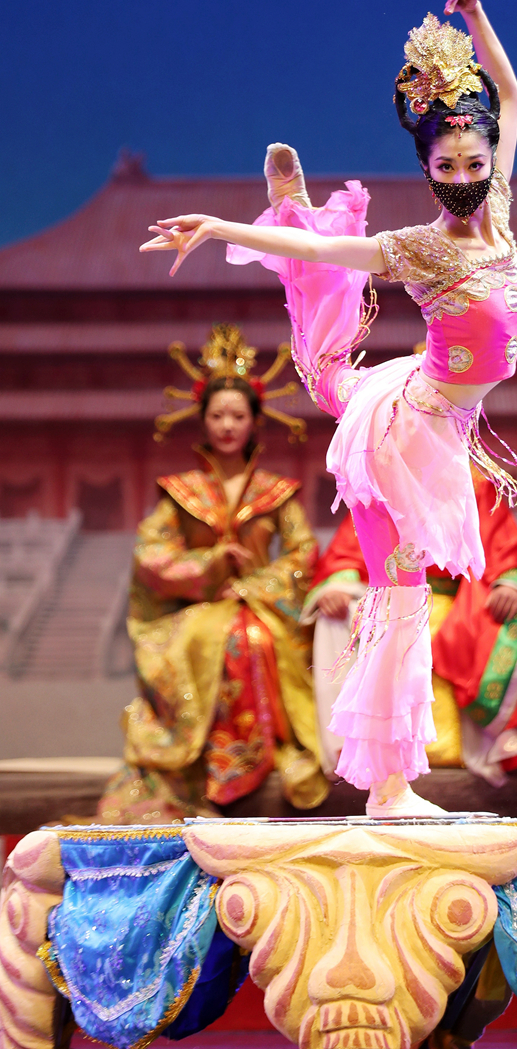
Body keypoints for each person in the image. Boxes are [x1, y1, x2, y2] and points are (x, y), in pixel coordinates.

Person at [140, 0, 517, 816]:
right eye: (448, 163)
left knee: (398, 571)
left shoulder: (500, 212)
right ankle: (390, 788)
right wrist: (218, 226)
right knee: (399, 592)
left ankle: (394, 786)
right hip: (406, 430)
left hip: (434, 415)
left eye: (475, 159)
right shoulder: (418, 248)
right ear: (427, 169)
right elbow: (328, 255)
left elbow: (507, 92)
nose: (465, 172)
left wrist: (473, 19)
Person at [98, 325, 327, 824]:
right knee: (214, 638)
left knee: (250, 638)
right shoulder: (181, 491)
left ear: (255, 421)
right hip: (198, 607)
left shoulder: (276, 491)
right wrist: (210, 564)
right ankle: (204, 762)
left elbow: (303, 552)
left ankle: (260, 755)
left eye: (238, 416)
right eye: (217, 415)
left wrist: (252, 584)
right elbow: (151, 553)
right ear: (201, 420)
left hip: (262, 605)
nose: (227, 425)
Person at [304, 466, 517, 788]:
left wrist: (509, 584)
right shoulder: (380, 482)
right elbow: (348, 553)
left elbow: (504, 549)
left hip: (461, 603)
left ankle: (506, 742)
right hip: (390, 602)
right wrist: (337, 587)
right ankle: (362, 748)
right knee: (338, 616)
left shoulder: (472, 482)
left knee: (516, 610)